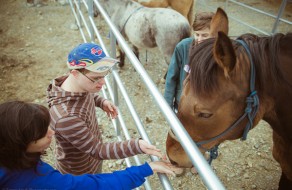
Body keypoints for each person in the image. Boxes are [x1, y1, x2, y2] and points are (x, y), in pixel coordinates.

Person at [47, 42, 166, 175]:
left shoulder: (74, 85)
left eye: (104, 75)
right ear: (75, 73)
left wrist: (101, 101)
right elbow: (98, 150)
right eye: (96, 78)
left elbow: (85, 96)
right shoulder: (66, 118)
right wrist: (136, 145)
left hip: (90, 159)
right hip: (80, 172)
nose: (103, 82)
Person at [0, 101, 175, 189]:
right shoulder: (35, 178)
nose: (52, 132)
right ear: (20, 144)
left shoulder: (10, 153)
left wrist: (100, 101)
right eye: (41, 134)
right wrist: (146, 167)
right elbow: (94, 186)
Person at [164, 12, 215, 112]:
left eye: (205, 35)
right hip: (183, 103)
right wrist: (167, 106)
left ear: (214, 35)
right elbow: (171, 78)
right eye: (197, 34)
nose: (199, 39)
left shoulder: (219, 53)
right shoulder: (182, 47)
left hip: (204, 108)